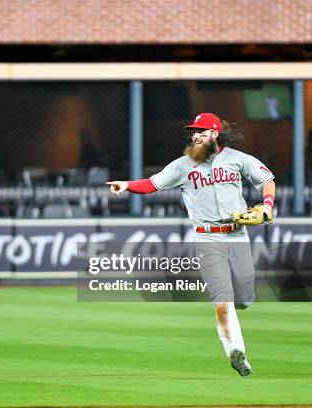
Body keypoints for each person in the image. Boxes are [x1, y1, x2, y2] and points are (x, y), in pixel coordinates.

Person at [107, 113, 275, 377]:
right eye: (193, 131)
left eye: (201, 131)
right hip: (207, 238)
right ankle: (235, 351)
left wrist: (267, 205)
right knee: (222, 300)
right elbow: (152, 184)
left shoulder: (237, 159)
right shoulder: (183, 166)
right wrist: (126, 185)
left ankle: (240, 312)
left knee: (244, 299)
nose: (195, 136)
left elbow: (267, 180)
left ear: (215, 134)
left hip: (237, 234)